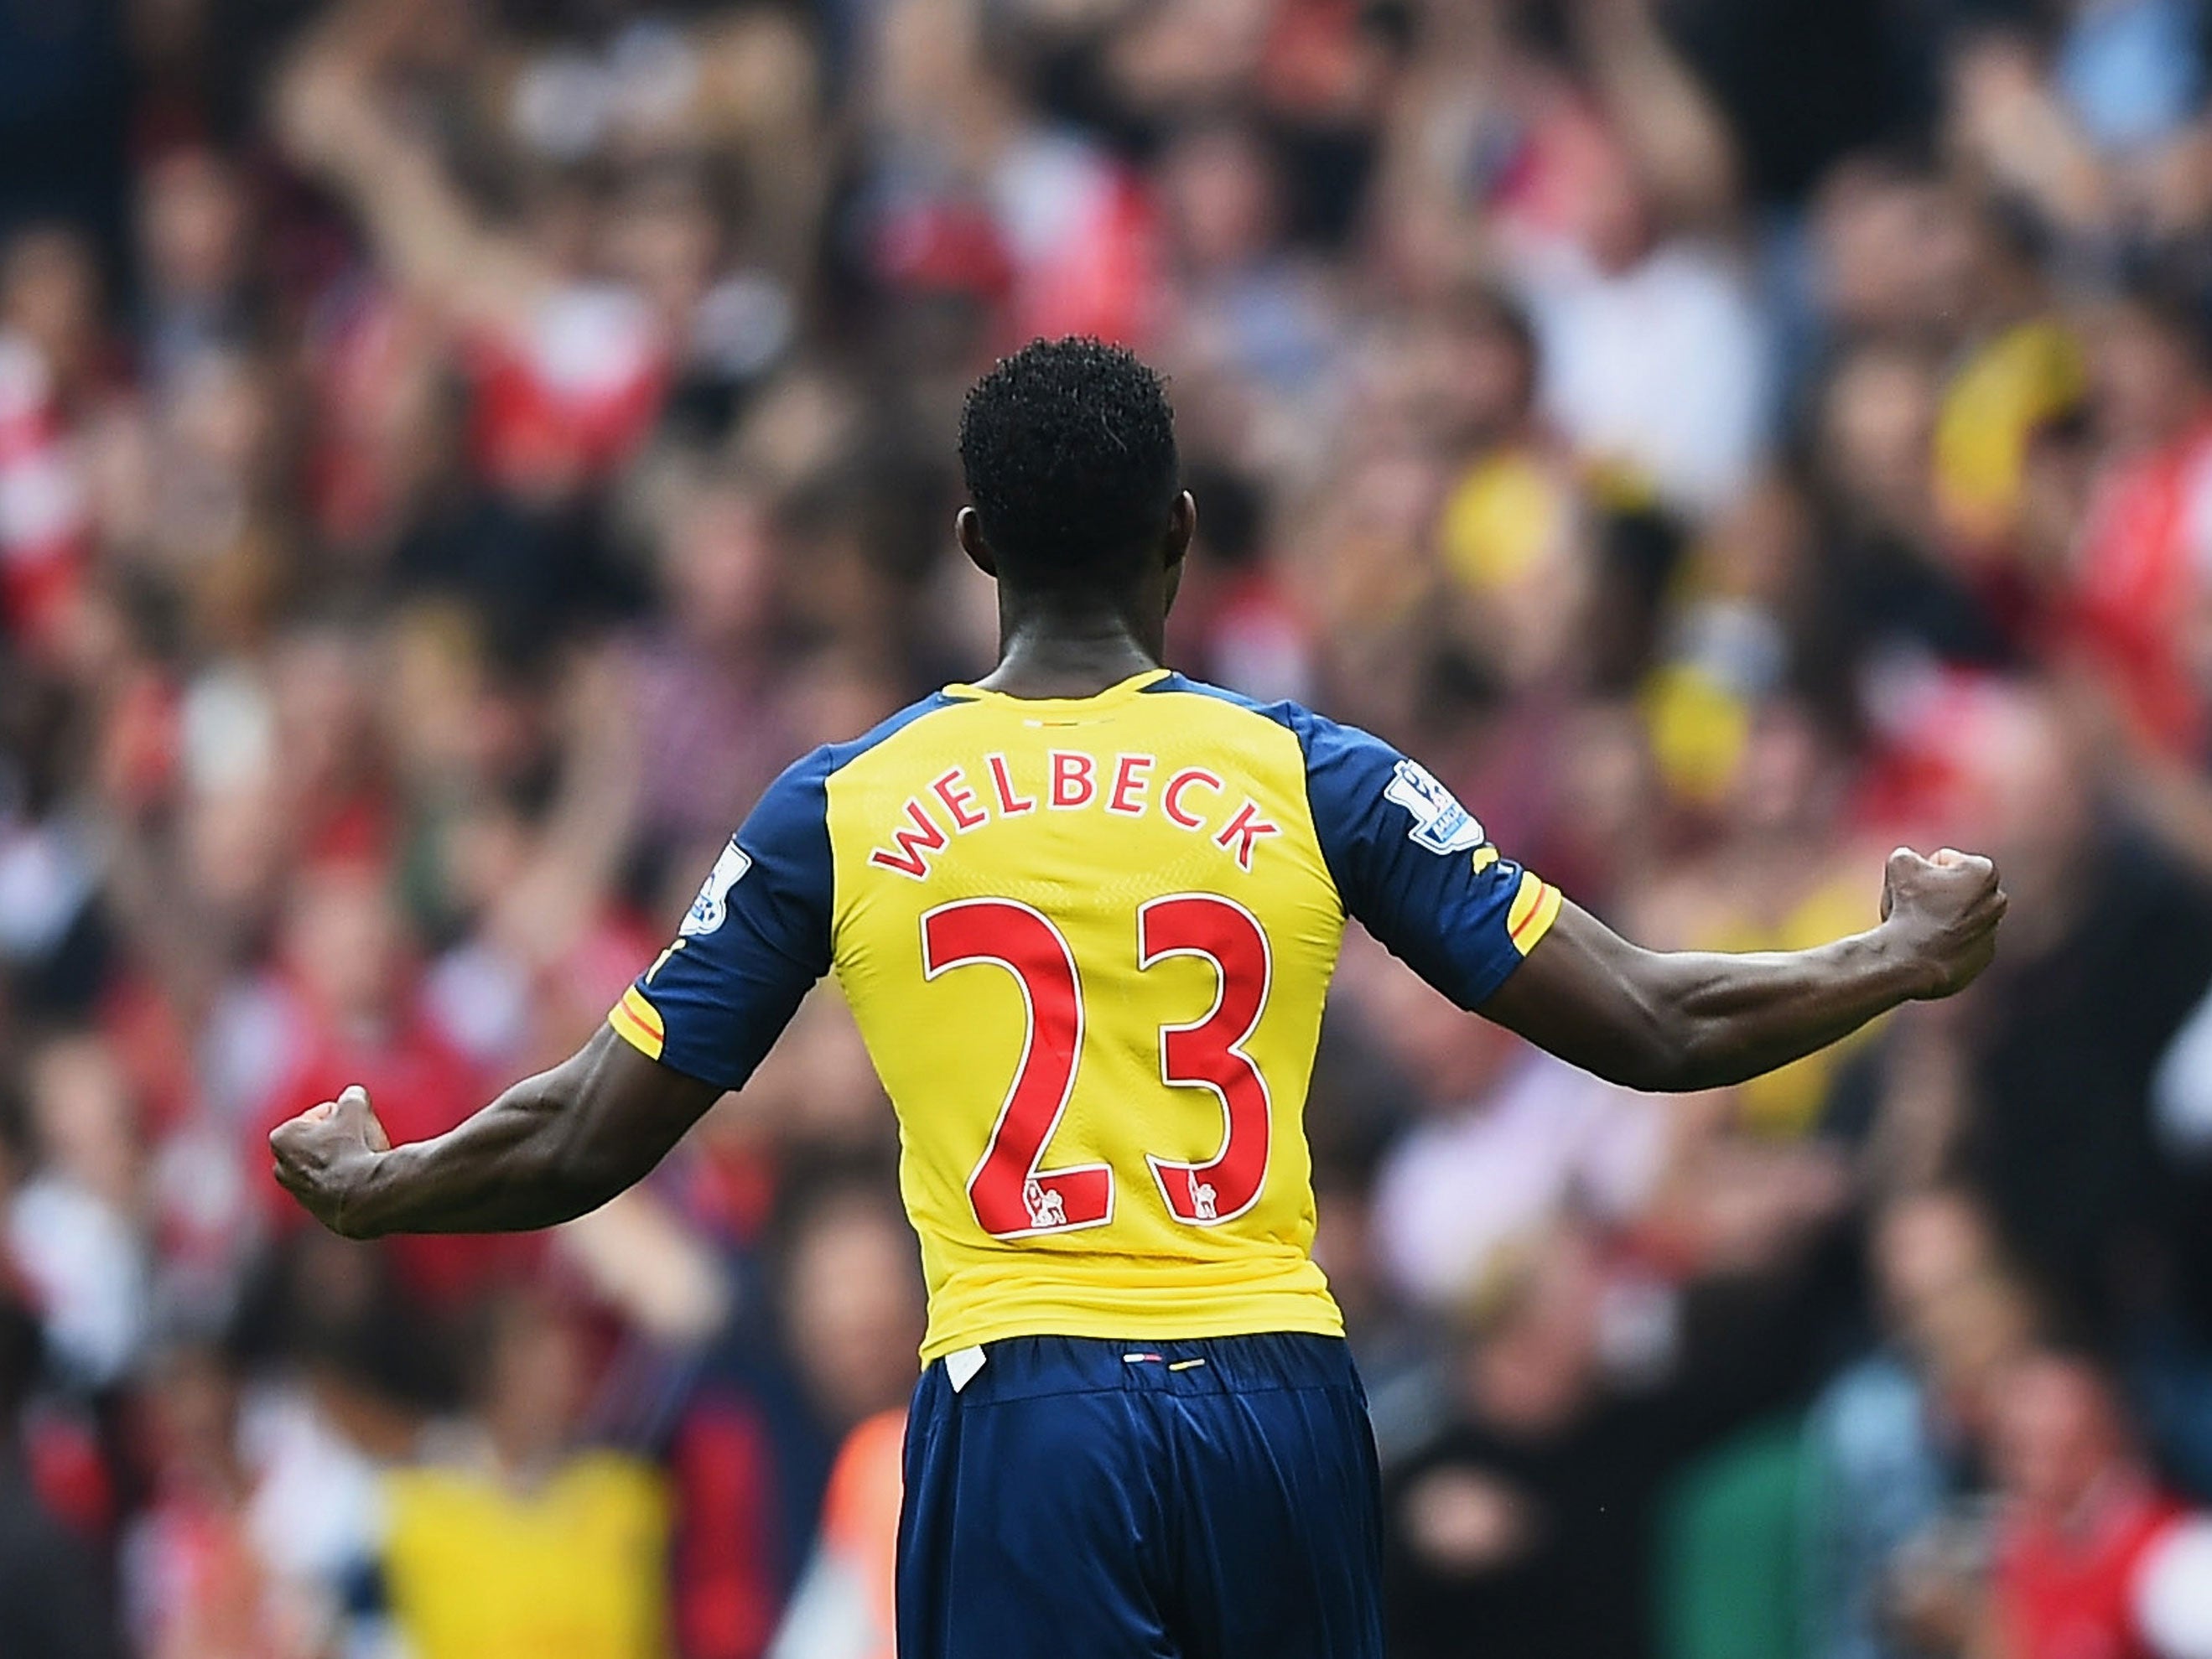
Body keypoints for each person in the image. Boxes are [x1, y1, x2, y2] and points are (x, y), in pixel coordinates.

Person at [268, 337, 2009, 1659]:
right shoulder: (1310, 773)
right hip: (1273, 1393)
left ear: (971, 543)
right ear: (1179, 532)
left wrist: (387, 1182)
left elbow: (587, 1130)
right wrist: (1890, 955)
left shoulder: (842, 806)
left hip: (1023, 1402)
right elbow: (1648, 1020)